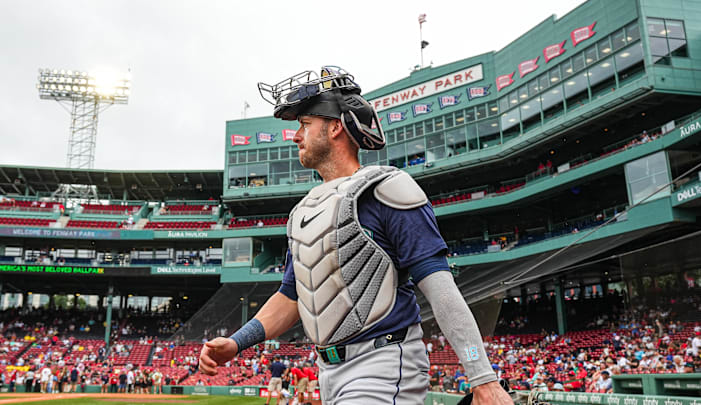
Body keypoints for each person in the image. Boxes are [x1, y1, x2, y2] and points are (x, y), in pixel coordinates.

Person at [199, 66, 512, 405]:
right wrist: (237, 342)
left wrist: (482, 378)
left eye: (304, 125)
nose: (295, 136)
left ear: (335, 127)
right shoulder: (305, 211)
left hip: (383, 363)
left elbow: (441, 289)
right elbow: (291, 299)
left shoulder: (387, 189)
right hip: (328, 374)